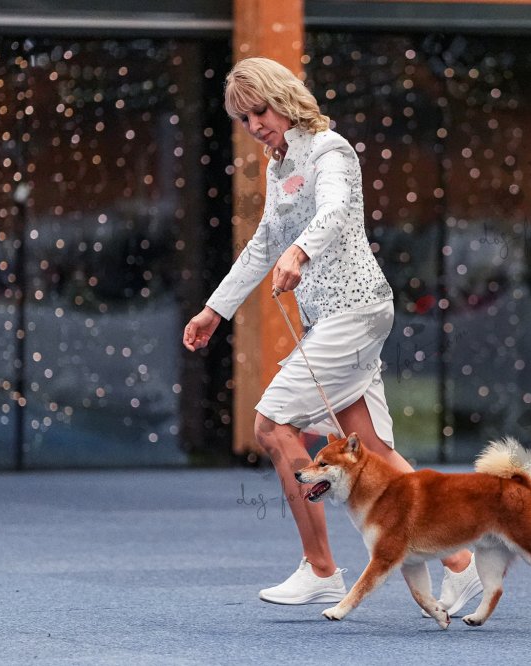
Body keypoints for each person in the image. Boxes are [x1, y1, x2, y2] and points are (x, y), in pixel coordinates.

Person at [182, 57, 481, 614]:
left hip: (356, 313)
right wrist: (214, 312)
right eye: (243, 118)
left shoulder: (330, 149)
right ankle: (462, 564)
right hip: (338, 320)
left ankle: (320, 569)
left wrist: (300, 252)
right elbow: (264, 244)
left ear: (283, 98)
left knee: (272, 426)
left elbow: (337, 210)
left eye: (259, 110)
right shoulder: (278, 167)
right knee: (374, 451)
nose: (254, 125)